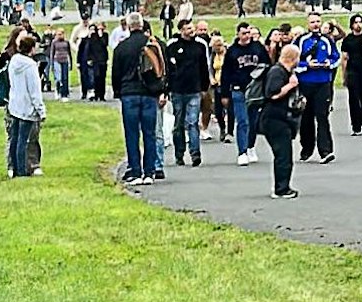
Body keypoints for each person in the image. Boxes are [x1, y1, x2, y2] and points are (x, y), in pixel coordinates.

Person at [111, 12, 165, 186]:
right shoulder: (152, 44)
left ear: (127, 25)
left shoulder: (122, 47)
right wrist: (161, 90)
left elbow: (116, 73)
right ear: (142, 25)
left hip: (129, 93)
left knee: (132, 134)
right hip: (149, 93)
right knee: (149, 133)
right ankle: (150, 171)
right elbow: (162, 69)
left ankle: (135, 170)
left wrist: (118, 92)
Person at [259, 43, 304, 199]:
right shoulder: (277, 72)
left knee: (285, 154)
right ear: (293, 58)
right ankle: (281, 189)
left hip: (283, 118)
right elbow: (272, 94)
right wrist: (290, 86)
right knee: (283, 154)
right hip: (274, 119)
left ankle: (284, 186)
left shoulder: (286, 72)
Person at [221, 22, 269, 166]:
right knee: (243, 121)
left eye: (248, 33)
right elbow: (226, 73)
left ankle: (250, 147)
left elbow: (267, 65)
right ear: (238, 34)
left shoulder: (258, 47)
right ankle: (242, 152)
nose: (247, 36)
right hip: (238, 89)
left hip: (255, 90)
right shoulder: (232, 51)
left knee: (253, 121)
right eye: (244, 33)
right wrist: (224, 93)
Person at [166, 18, 212, 167]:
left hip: (194, 89)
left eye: (192, 29)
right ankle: (179, 153)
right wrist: (168, 87)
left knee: (193, 122)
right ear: (181, 30)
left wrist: (205, 87)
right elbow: (168, 68)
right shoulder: (172, 45)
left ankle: (195, 153)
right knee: (179, 123)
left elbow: (205, 66)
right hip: (178, 89)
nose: (191, 32)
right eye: (188, 29)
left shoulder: (200, 45)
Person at [296, 12, 341, 164]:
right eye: (313, 22)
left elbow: (336, 57)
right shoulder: (301, 40)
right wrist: (306, 65)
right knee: (306, 117)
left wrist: (329, 63)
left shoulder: (327, 40)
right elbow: (293, 61)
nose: (316, 24)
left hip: (323, 82)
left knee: (322, 116)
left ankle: (326, 151)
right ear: (307, 24)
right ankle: (307, 148)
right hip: (306, 82)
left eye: (318, 22)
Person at [6, 33, 46, 179]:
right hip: (27, 107)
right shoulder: (30, 66)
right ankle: (22, 170)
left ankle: (13, 167)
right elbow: (34, 91)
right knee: (24, 140)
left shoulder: (13, 61)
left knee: (14, 138)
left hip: (15, 104)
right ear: (31, 49)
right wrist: (41, 110)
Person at [340, 13, 362, 138]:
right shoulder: (348, 40)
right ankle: (356, 125)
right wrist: (344, 76)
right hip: (353, 71)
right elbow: (344, 58)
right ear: (352, 24)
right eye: (356, 22)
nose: (358, 24)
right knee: (353, 99)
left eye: (360, 22)